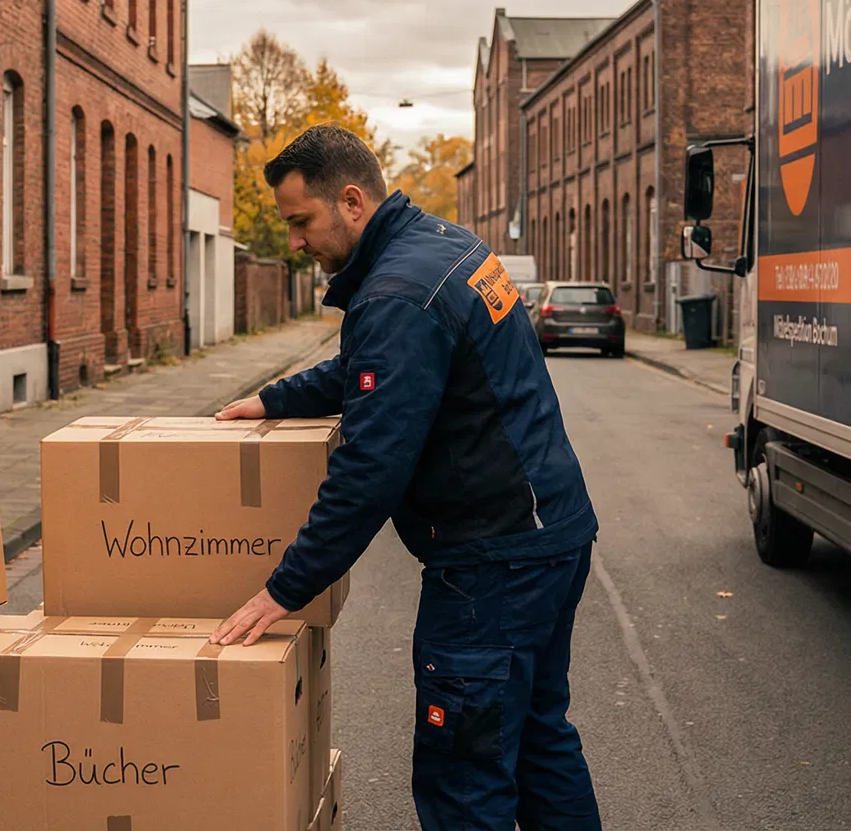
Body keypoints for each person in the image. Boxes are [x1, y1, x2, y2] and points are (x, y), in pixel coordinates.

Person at [210, 125, 602, 830]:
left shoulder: (395, 291)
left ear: (351, 201)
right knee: (540, 740)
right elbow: (380, 374)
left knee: (466, 771)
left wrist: (284, 589)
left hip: (492, 561)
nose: (295, 243)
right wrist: (277, 397)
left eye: (301, 221)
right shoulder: (443, 248)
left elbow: (370, 468)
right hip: (551, 534)